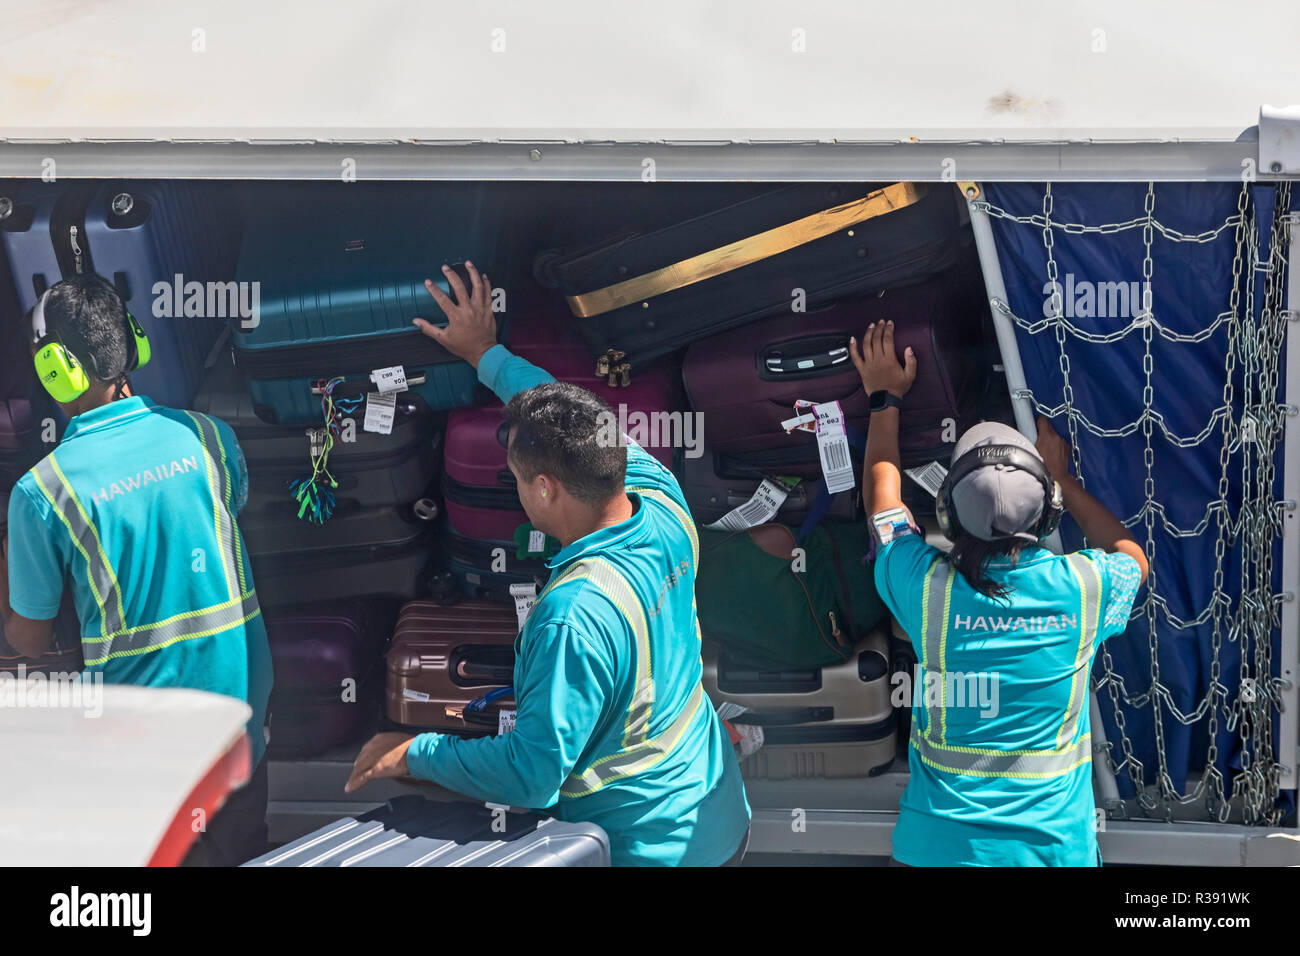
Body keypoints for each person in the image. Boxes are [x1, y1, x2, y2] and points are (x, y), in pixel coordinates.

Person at [347, 261, 751, 866]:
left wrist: (411, 754)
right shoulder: (656, 491)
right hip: (718, 818)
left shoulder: (575, 615)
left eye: (513, 478)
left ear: (543, 489)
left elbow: (532, 776)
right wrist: (486, 354)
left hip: (646, 851)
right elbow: (579, 415)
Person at [849, 318, 1148, 867]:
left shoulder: (928, 591)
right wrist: (1067, 481)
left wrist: (884, 397)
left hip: (937, 851)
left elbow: (883, 501)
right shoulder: (1082, 588)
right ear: (1048, 509)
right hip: (1050, 855)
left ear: (947, 516)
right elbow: (1132, 554)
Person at [0, 275, 273, 866]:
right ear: (134, 343)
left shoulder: (42, 492)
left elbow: (28, 637)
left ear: (57, 371)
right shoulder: (211, 438)